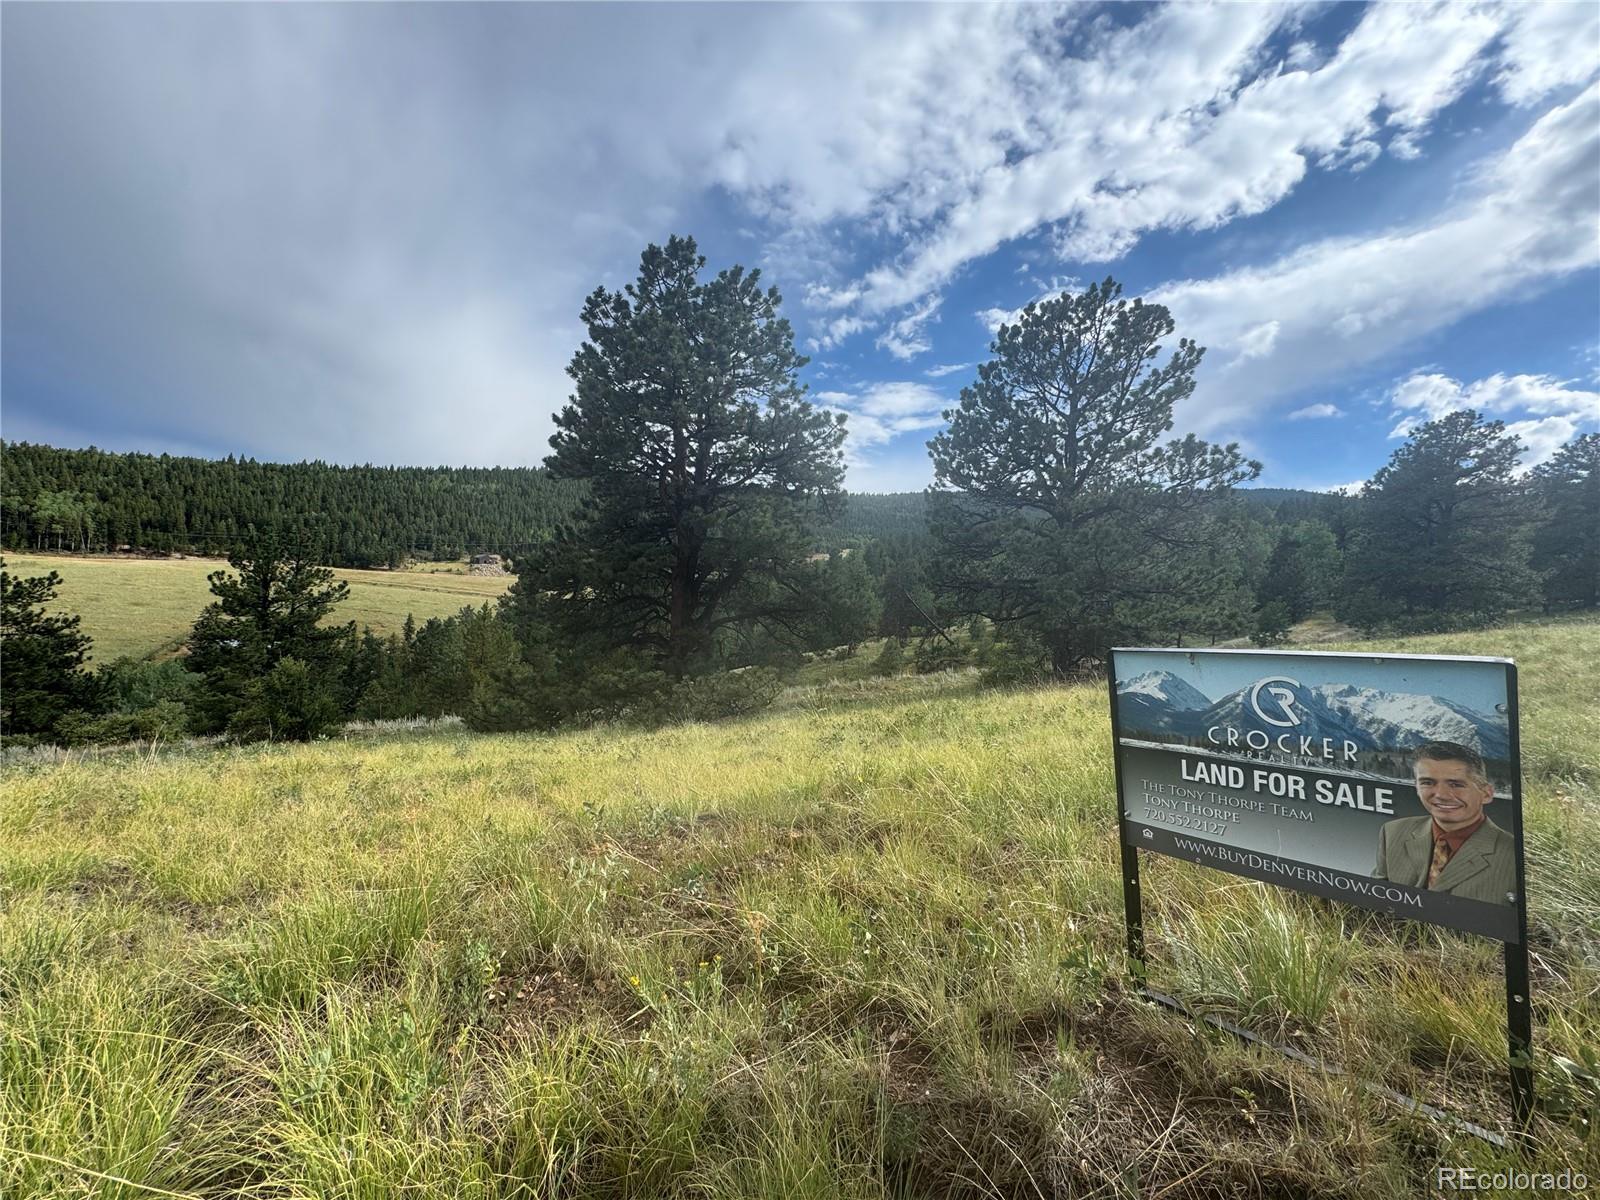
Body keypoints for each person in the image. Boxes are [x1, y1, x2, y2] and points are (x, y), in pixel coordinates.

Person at [1373, 740, 1516, 906]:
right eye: (1428, 782)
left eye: (1456, 784)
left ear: (1486, 794)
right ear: (1417, 787)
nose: (1441, 794)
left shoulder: (1512, 854)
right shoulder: (1393, 832)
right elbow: (1377, 899)